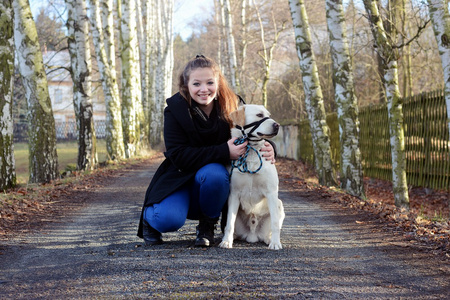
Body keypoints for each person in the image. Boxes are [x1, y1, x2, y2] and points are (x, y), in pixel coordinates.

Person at [137, 55, 275, 247]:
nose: (204, 89)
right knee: (167, 219)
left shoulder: (233, 104)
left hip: (213, 180)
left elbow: (254, 128)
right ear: (186, 85)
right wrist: (224, 151)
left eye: (210, 82)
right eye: (196, 83)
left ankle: (207, 225)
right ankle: (150, 219)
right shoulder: (175, 110)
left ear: (218, 83)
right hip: (181, 176)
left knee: (215, 174)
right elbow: (178, 155)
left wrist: (270, 147)